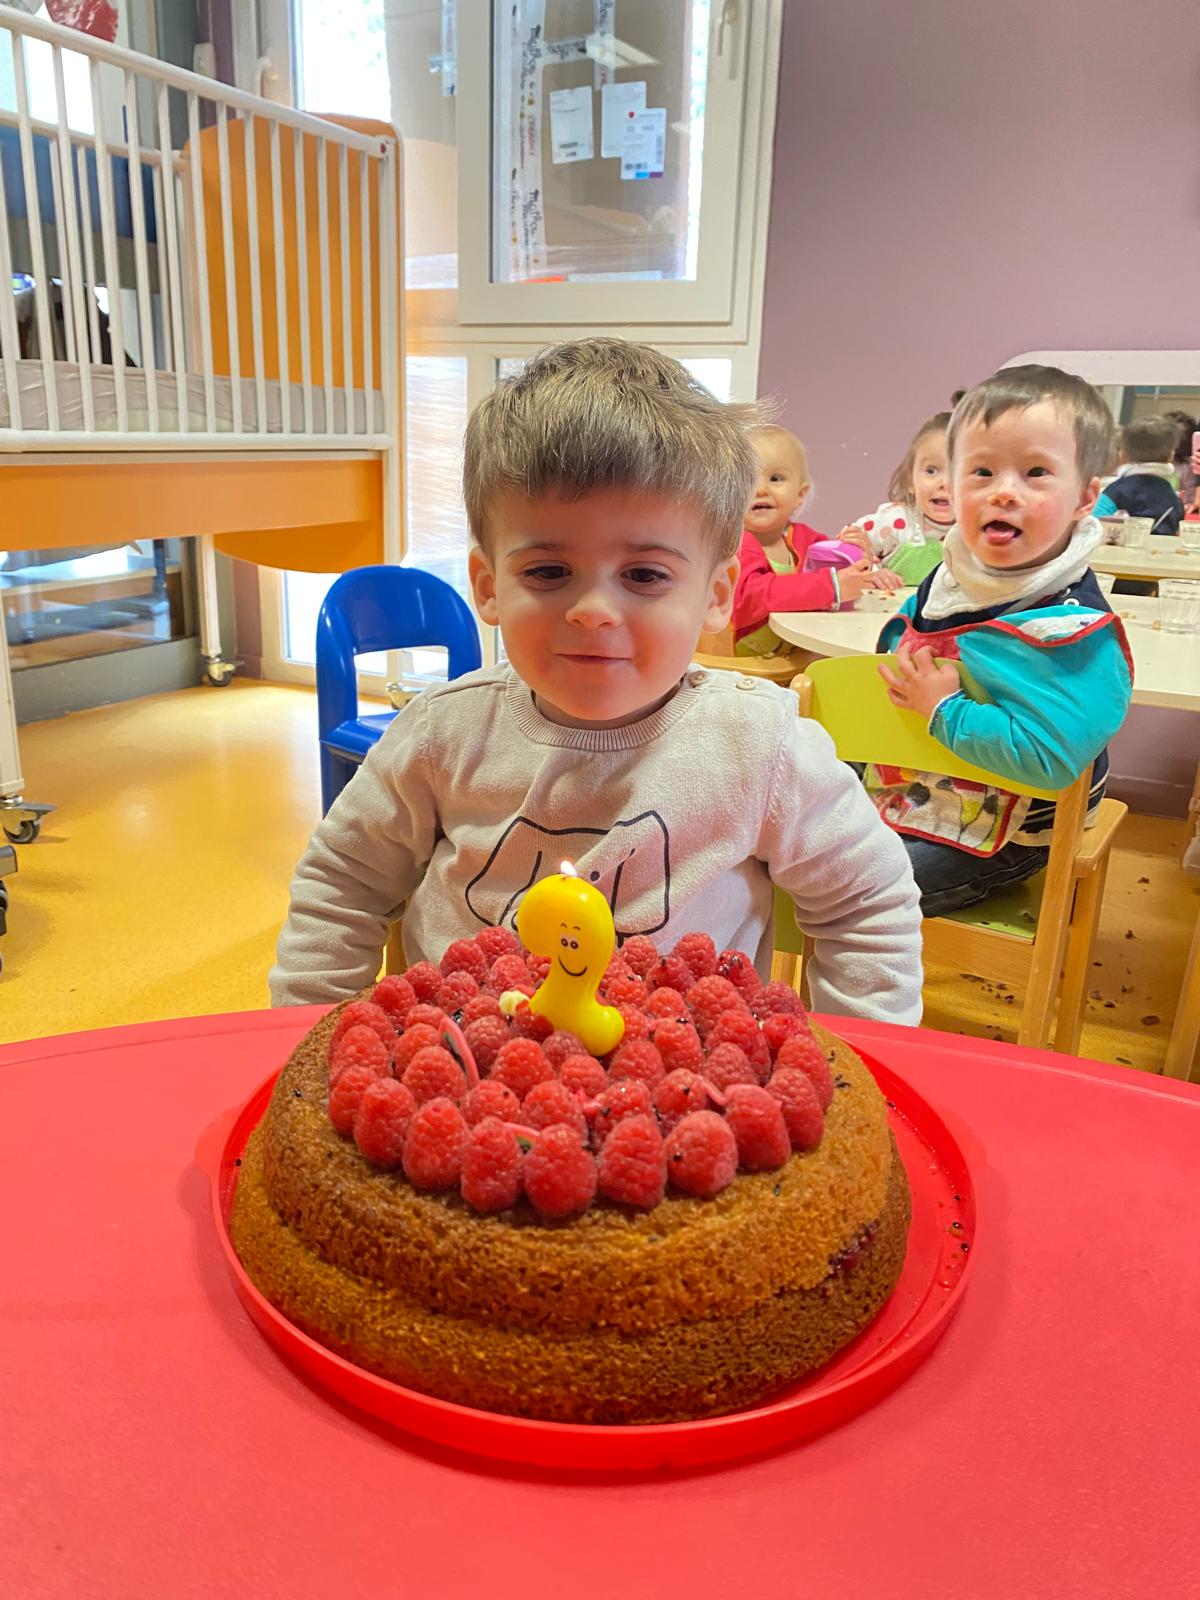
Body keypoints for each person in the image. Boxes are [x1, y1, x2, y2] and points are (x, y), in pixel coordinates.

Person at [270, 338, 923, 1021]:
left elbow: (867, 903)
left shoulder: (762, 745)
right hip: (462, 1070)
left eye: (644, 574)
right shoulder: (441, 734)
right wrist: (308, 1037)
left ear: (716, 594)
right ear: (488, 586)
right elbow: (341, 885)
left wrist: (856, 1056)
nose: (592, 611)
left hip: (684, 1083)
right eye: (549, 571)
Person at [869, 365, 1133, 917]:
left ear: (1084, 497)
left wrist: (944, 709)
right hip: (916, 788)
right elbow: (910, 634)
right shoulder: (952, 574)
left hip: (1012, 830)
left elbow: (1050, 758)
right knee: (797, 851)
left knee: (860, 890)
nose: (1004, 492)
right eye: (982, 472)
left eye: (1036, 473)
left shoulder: (1073, 628)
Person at [731, 425, 901, 658]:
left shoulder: (806, 539)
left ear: (800, 495)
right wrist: (831, 587)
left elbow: (838, 575)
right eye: (748, 479)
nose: (760, 489)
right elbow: (749, 597)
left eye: (775, 478)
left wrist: (859, 559)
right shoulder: (733, 544)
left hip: (800, 651)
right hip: (748, 661)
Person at [844, 412, 955, 583]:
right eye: (931, 471)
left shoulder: (981, 529)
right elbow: (844, 550)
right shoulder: (894, 522)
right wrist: (872, 570)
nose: (944, 483)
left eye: (957, 471)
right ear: (910, 480)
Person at [1093, 416, 1186, 535]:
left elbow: (1094, 522)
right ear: (1171, 456)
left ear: (1123, 454)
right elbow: (1178, 530)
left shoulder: (1117, 491)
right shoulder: (1172, 495)